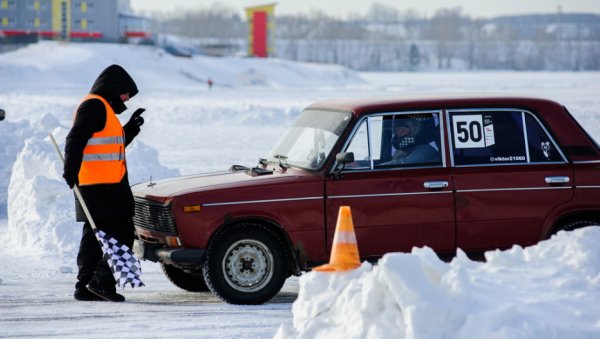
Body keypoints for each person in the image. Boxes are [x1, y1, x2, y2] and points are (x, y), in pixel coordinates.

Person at [62, 64, 145, 302]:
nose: (127, 98)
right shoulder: (95, 106)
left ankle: (84, 286)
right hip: (104, 186)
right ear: (114, 87)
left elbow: (107, 148)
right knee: (122, 233)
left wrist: (130, 129)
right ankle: (101, 283)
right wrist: (70, 170)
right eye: (126, 93)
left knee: (94, 237)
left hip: (99, 184)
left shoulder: (102, 108)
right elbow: (75, 138)